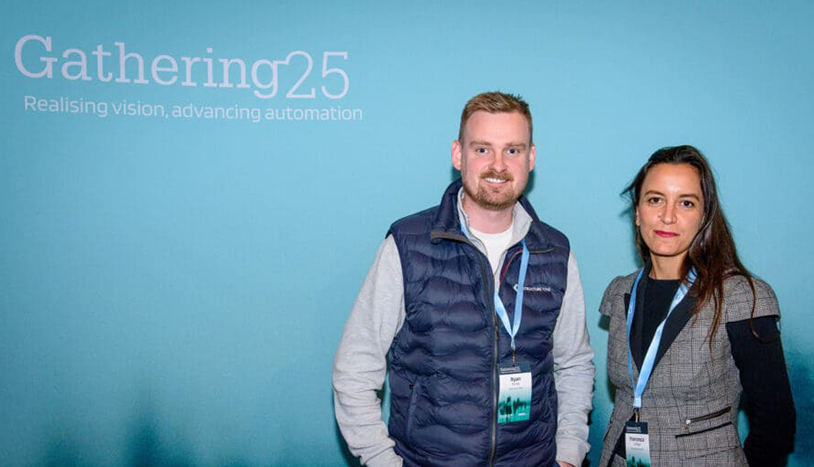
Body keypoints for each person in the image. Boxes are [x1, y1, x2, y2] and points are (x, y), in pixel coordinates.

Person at [333, 92, 595, 467]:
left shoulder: (555, 252)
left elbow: (574, 363)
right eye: (483, 149)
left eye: (513, 151)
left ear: (531, 159)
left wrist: (569, 454)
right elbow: (355, 367)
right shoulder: (408, 245)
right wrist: (381, 461)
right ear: (458, 154)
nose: (498, 165)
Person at [598, 145, 796, 467]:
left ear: (704, 216)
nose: (667, 216)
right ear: (637, 212)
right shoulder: (621, 293)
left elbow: (775, 420)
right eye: (655, 199)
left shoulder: (742, 297)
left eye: (686, 203)